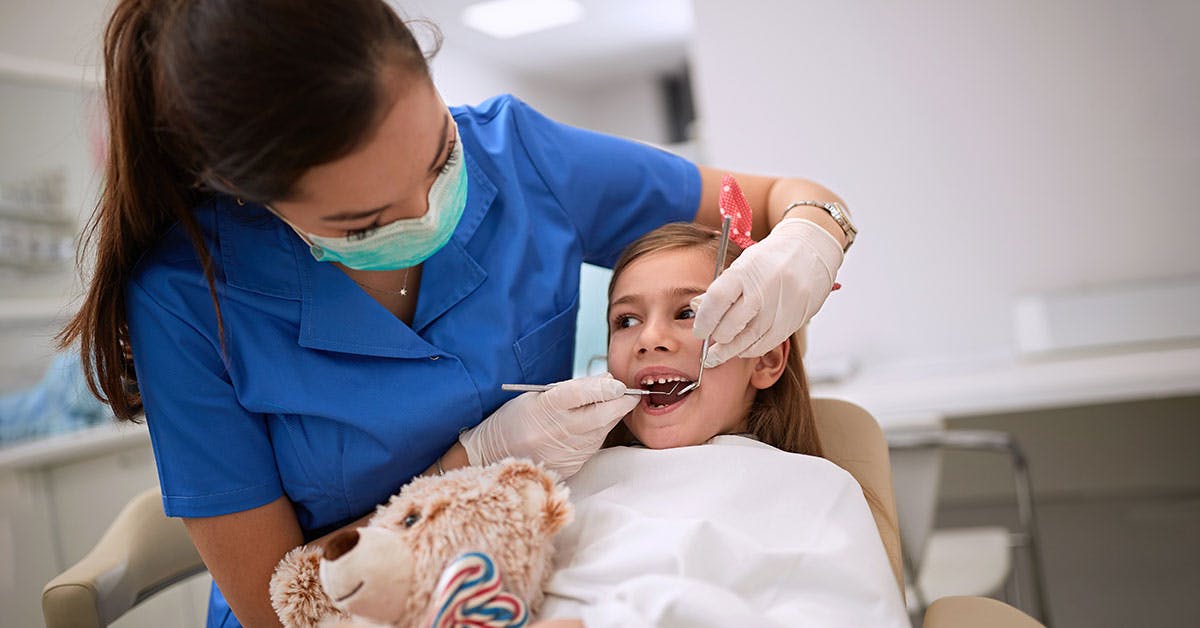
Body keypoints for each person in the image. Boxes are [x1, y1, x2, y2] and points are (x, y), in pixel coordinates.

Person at [58, 1, 854, 626]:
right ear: (252, 198)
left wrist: (816, 232)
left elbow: (779, 197)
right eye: (365, 223)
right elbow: (280, 606)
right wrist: (470, 465)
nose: (428, 213)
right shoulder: (187, 300)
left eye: (441, 158)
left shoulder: (520, 157)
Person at [532, 223, 906, 628]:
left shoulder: (813, 489)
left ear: (764, 359)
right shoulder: (566, 480)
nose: (649, 338)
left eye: (688, 312)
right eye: (626, 321)